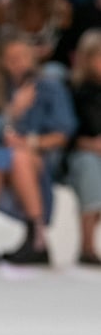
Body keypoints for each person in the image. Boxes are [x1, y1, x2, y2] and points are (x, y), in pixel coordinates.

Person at [0, 26, 77, 263]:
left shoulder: (50, 87)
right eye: (12, 59)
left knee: (18, 156)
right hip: (2, 159)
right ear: (2, 62)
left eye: (23, 57)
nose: (19, 64)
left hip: (42, 159)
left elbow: (63, 134)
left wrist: (28, 142)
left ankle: (37, 236)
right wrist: (13, 110)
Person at [67, 28, 101, 262]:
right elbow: (66, 134)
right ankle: (86, 247)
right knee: (90, 167)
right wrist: (90, 144)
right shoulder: (74, 91)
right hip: (79, 154)